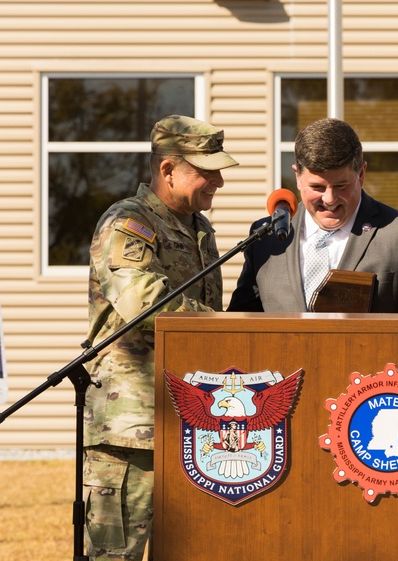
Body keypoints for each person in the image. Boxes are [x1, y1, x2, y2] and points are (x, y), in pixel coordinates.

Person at [83, 115, 238, 560]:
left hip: (189, 417)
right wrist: (227, 326)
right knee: (117, 556)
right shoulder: (129, 223)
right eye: (206, 171)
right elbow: (144, 304)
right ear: (168, 170)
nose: (219, 182)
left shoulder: (200, 229)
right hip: (131, 428)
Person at [228, 118, 398, 314]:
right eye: (317, 187)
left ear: (362, 174)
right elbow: (241, 327)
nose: (329, 199)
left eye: (341, 185)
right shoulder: (264, 238)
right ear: (297, 176)